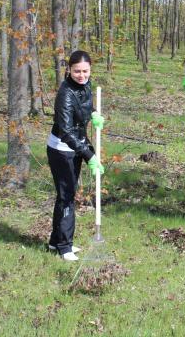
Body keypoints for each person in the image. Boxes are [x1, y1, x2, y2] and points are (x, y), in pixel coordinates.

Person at [46, 50, 105, 261]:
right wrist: (89, 154)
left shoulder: (84, 86)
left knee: (66, 195)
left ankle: (55, 241)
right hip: (62, 149)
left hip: (76, 145)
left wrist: (94, 113)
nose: (81, 75)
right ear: (69, 70)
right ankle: (64, 246)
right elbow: (66, 131)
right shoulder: (65, 94)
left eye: (85, 71)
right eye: (77, 71)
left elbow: (85, 105)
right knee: (67, 196)